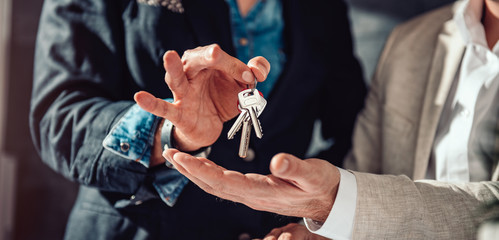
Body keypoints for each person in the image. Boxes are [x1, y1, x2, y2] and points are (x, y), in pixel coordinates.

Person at [156, 0, 499, 239]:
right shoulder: (411, 41)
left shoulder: (325, 12)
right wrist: (329, 225)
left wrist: (342, 210)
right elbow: (365, 162)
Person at [29, 0, 366, 239]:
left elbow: (356, 132)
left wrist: (319, 218)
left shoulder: (324, 8)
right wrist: (169, 131)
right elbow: (59, 117)